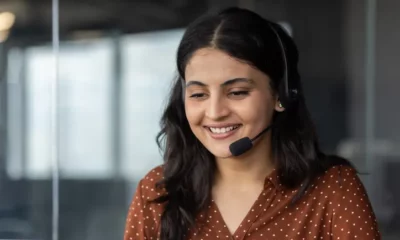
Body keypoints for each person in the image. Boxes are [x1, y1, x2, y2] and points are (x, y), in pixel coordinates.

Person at [124, 7, 381, 240]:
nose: (214, 113)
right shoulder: (157, 193)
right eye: (199, 94)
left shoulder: (332, 190)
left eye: (236, 92)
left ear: (279, 95)